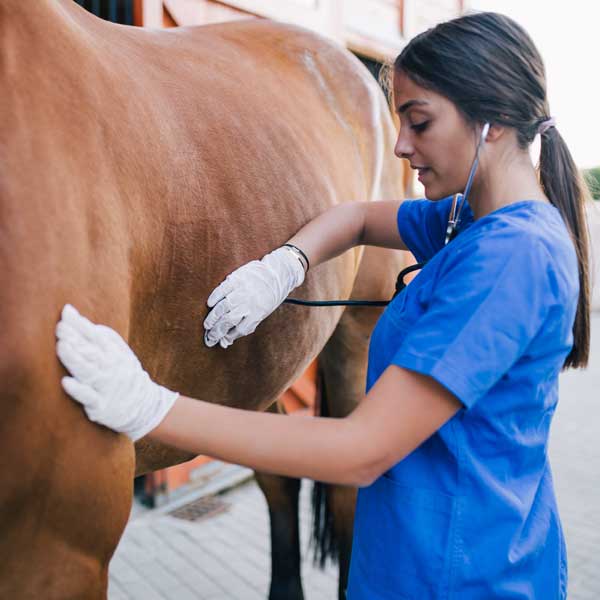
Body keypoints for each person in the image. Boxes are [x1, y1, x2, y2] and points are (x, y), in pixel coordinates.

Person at [55, 11, 590, 599]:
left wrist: (150, 407)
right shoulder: (471, 219)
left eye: (419, 122)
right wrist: (284, 265)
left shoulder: (512, 257)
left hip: (459, 576)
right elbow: (358, 217)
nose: (400, 146)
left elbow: (357, 451)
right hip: (416, 557)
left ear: (489, 121)